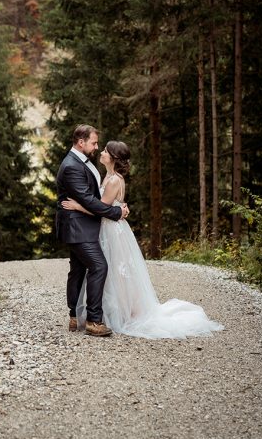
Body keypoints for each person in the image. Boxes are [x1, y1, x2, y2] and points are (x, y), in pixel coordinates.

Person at [62, 140, 224, 339]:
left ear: (112, 157)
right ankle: (104, 312)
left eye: (104, 150)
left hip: (111, 229)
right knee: (111, 271)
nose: (101, 152)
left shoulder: (114, 180)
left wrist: (78, 207)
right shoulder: (109, 176)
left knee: (115, 271)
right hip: (108, 226)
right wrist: (119, 208)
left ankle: (123, 313)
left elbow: (100, 209)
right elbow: (106, 205)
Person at [56, 125, 129, 337]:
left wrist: (118, 205)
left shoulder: (82, 162)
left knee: (78, 269)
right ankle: (93, 321)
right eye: (94, 143)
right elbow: (87, 200)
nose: (97, 147)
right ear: (81, 142)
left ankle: (74, 316)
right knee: (99, 265)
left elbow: (96, 196)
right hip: (77, 227)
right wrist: (115, 211)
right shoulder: (71, 166)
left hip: (85, 225)